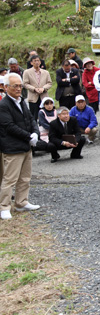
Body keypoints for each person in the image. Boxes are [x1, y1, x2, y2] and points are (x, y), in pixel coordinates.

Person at [0, 73, 41, 220]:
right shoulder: (3, 105)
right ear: (6, 87)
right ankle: (4, 206)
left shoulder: (22, 101)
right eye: (15, 86)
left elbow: (30, 119)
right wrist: (29, 136)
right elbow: (9, 126)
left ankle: (21, 202)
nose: (18, 89)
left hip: (25, 146)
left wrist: (36, 132)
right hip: (12, 147)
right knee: (9, 179)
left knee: (25, 177)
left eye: (20, 86)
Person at [22, 54, 52, 121]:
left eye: (38, 60)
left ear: (40, 62)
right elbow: (25, 83)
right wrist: (34, 89)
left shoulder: (46, 72)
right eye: (35, 61)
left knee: (45, 115)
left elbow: (49, 83)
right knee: (33, 116)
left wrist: (43, 88)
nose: (36, 62)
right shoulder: (27, 72)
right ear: (31, 63)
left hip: (43, 96)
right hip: (33, 97)